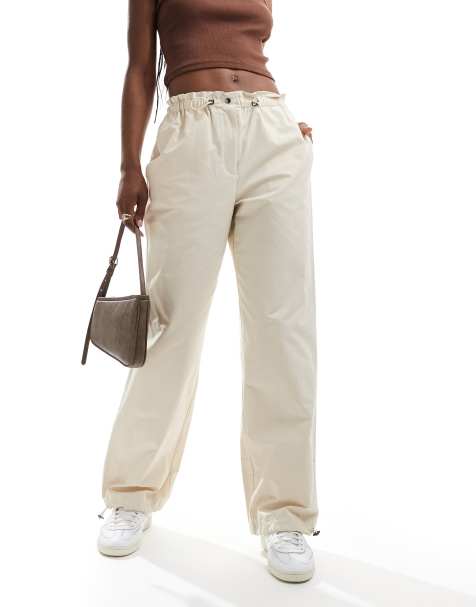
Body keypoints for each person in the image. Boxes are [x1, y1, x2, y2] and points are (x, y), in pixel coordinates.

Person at [97, 0, 319, 583]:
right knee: (169, 326)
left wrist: (278, 131)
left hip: (272, 132)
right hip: (192, 132)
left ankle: (286, 514)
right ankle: (130, 494)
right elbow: (140, 67)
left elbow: (248, 54)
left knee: (284, 331)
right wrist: (129, 166)